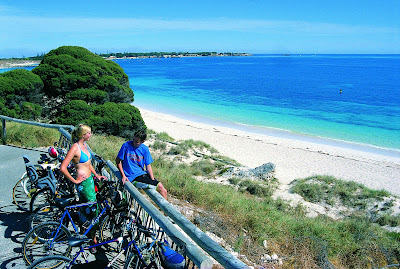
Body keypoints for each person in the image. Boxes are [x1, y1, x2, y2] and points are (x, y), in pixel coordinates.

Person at [60, 124, 106, 247]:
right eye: (89, 133)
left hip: (89, 181)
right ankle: (93, 240)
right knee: (93, 212)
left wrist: (96, 175)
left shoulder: (84, 146)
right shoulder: (75, 148)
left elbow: (88, 164)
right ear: (83, 135)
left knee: (85, 209)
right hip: (83, 184)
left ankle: (84, 234)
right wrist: (75, 181)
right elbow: (63, 167)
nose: (90, 135)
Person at [116, 128, 168, 200]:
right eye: (133, 140)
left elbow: (148, 166)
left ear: (142, 141)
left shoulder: (145, 149)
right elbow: (118, 161)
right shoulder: (126, 145)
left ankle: (165, 209)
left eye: (136, 142)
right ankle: (165, 210)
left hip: (141, 173)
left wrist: (152, 180)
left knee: (164, 190)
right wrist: (123, 175)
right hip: (131, 177)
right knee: (161, 188)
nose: (134, 142)